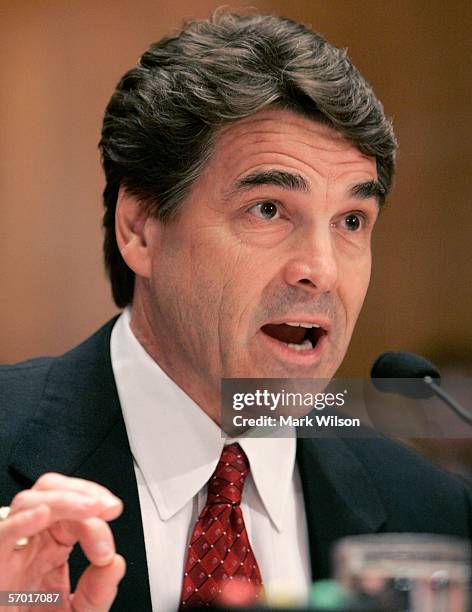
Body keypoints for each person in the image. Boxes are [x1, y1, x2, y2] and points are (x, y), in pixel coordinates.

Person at [0, 11, 470, 612]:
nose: (321, 269)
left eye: (352, 221)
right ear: (140, 228)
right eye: (268, 209)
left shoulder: (432, 513)